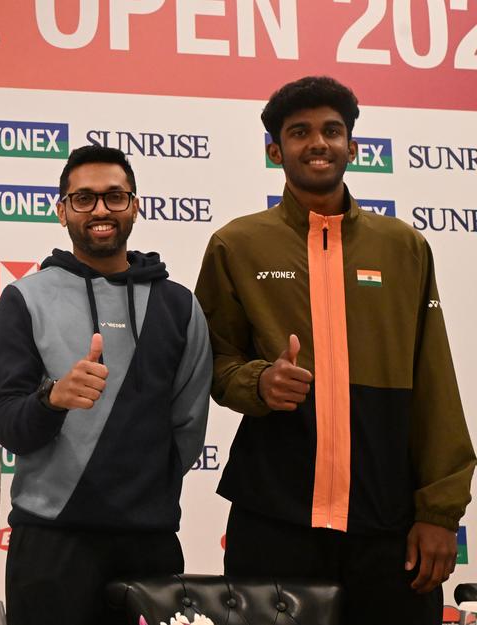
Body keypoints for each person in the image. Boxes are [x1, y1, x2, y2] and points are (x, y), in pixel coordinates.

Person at [195, 75, 475, 625]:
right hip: (274, 516)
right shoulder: (237, 244)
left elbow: (435, 383)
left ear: (353, 146)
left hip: (388, 520)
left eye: (331, 130)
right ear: (275, 151)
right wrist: (258, 382)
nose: (317, 143)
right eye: (299, 132)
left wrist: (440, 512)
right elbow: (213, 362)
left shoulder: (404, 247)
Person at [0, 144, 211, 624]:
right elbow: (7, 426)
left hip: (150, 544)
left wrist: (144, 495)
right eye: (84, 198)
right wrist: (52, 399)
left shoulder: (179, 305)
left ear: (135, 205)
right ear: (62, 211)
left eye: (115, 196)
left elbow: (189, 428)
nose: (101, 210)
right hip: (50, 544)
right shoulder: (24, 299)